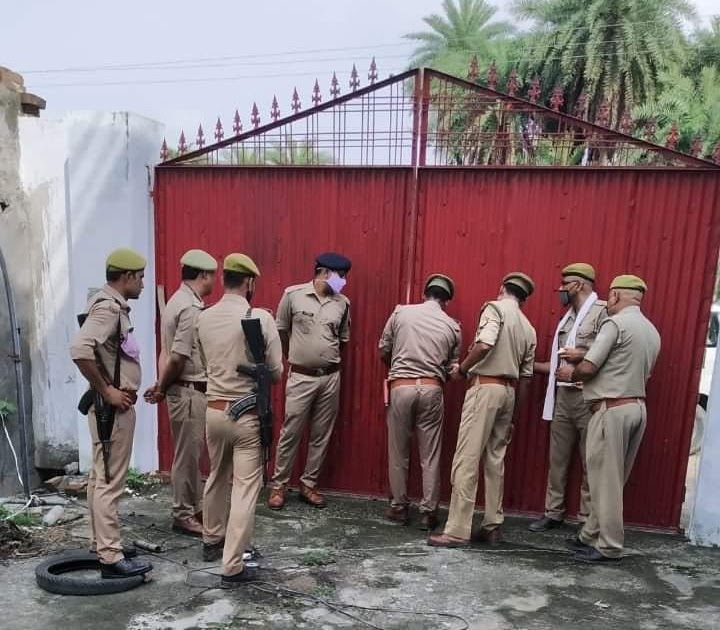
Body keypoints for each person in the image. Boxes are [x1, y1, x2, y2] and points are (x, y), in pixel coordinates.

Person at [557, 275, 660, 563]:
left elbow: (589, 366)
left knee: (605, 482)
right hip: (636, 407)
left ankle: (609, 546)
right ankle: (589, 535)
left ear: (614, 295)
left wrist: (571, 374)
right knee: (613, 479)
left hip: (611, 409)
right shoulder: (651, 330)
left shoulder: (615, 324)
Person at [428, 273, 537, 547]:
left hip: (485, 388)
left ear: (502, 289)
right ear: (523, 299)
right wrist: (514, 415)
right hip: (509, 393)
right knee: (495, 461)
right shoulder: (528, 327)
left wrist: (463, 370)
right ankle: (492, 524)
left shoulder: (494, 308)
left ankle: (457, 530)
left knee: (467, 458)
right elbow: (526, 377)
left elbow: (485, 343)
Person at [196, 253, 283, 587]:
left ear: (223, 279)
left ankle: (212, 539)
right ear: (250, 282)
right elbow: (276, 372)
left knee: (217, 475)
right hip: (246, 415)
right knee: (246, 488)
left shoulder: (203, 317)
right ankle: (233, 564)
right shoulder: (260, 317)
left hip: (214, 411)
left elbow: (205, 363)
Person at [70, 248, 153, 579]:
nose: (143, 283)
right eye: (140, 277)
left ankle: (100, 544)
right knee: (109, 482)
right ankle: (110, 557)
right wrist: (107, 391)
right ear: (127, 276)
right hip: (112, 410)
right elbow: (79, 349)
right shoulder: (108, 308)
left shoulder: (106, 303)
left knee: (100, 477)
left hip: (110, 407)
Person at [267, 252, 352, 510]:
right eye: (340, 276)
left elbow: (342, 339)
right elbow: (281, 330)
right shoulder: (293, 295)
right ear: (324, 273)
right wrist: (296, 358)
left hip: (330, 378)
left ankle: (309, 484)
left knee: (321, 434)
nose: (343, 281)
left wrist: (325, 360)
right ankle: (279, 485)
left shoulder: (343, 303)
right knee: (290, 432)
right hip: (301, 377)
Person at [379, 274, 462, 530]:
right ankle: (428, 513)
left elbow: (383, 349)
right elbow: (452, 368)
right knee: (430, 454)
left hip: (401, 387)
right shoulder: (452, 326)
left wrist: (398, 366)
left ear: (424, 293)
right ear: (446, 301)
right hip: (432, 388)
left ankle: (399, 507)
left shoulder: (400, 313)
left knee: (398, 452)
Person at [144, 249, 218, 537]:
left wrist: (162, 385)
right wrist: (162, 388)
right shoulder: (188, 307)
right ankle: (183, 514)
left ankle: (192, 507)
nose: (214, 281)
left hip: (184, 389)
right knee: (187, 457)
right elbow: (177, 357)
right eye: (212, 276)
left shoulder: (180, 300)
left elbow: (167, 351)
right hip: (187, 390)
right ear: (203, 275)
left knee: (191, 454)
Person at [529, 263, 607, 532]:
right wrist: (528, 366)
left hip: (588, 396)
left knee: (590, 460)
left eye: (565, 284)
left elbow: (609, 352)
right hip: (563, 395)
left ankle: (586, 519)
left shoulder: (602, 312)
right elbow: (557, 363)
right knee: (558, 458)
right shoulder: (568, 318)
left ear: (580, 285)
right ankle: (553, 512)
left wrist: (581, 356)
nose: (560, 289)